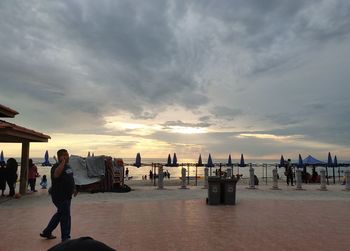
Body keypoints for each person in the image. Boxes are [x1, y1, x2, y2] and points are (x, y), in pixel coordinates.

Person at [40, 149, 77, 242]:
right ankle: (66, 238)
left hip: (67, 195)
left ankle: (47, 232)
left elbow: (70, 178)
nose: (68, 156)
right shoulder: (56, 167)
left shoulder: (68, 167)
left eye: (67, 155)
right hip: (59, 196)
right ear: (60, 156)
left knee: (60, 214)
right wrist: (62, 162)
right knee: (65, 216)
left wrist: (74, 189)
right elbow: (56, 175)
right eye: (65, 155)